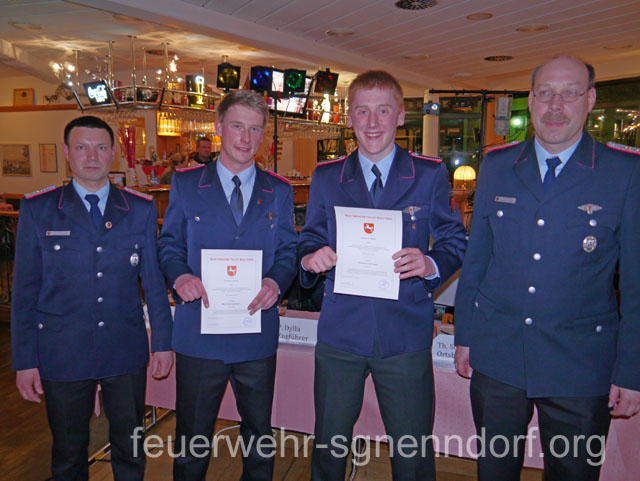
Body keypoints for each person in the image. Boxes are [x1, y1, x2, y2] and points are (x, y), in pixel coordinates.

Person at [454, 55, 640, 481]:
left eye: (570, 93)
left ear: (590, 100)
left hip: (581, 366)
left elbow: (635, 283)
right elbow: (477, 257)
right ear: (531, 99)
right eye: (545, 93)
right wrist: (465, 335)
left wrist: (632, 370)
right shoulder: (498, 164)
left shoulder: (625, 171)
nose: (556, 105)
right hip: (498, 356)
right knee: (494, 471)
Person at [297, 70, 466, 480]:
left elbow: (454, 239)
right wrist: (310, 258)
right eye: (362, 111)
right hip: (340, 332)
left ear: (401, 116)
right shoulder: (327, 176)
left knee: (412, 452)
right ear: (349, 118)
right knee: (329, 447)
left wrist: (430, 264)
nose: (372, 122)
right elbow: (309, 238)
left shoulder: (428, 173)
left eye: (383, 111)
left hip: (404, 332)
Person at [11, 115, 174, 481]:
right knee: (68, 454)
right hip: (62, 350)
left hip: (124, 347)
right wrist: (25, 360)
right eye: (82, 147)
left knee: (130, 449)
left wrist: (163, 344)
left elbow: (153, 282)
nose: (91, 156)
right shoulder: (39, 209)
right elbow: (25, 291)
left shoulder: (140, 208)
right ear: (67, 152)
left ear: (113, 153)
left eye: (100, 147)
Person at [157, 90, 297, 481]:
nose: (246, 138)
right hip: (199, 333)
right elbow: (168, 244)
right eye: (237, 126)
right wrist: (180, 275)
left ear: (263, 134)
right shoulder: (186, 184)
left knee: (259, 436)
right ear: (219, 127)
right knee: (192, 439)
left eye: (255, 129)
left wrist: (276, 281)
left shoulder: (279, 190)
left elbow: (288, 250)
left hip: (255, 332)